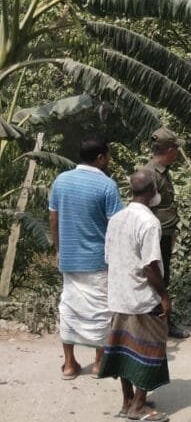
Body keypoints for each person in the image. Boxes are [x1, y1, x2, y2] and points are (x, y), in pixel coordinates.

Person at [97, 170, 170, 422]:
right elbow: (150, 266)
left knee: (125, 350)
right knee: (150, 349)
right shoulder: (149, 223)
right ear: (152, 192)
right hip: (142, 298)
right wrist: (164, 296)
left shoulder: (116, 219)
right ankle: (138, 407)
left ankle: (128, 401)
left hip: (119, 295)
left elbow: (109, 258)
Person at [48, 134, 123, 379]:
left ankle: (69, 365)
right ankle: (99, 363)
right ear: (101, 158)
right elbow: (116, 226)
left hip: (69, 259)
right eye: (108, 155)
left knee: (68, 308)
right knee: (101, 311)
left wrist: (59, 250)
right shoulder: (107, 186)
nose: (109, 159)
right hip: (98, 260)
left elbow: (54, 219)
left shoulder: (61, 180)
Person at [146, 126, 189, 339]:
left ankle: (162, 321)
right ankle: (158, 324)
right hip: (155, 236)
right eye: (176, 149)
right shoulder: (150, 174)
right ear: (170, 150)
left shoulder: (163, 171)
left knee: (164, 277)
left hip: (165, 233)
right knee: (157, 278)